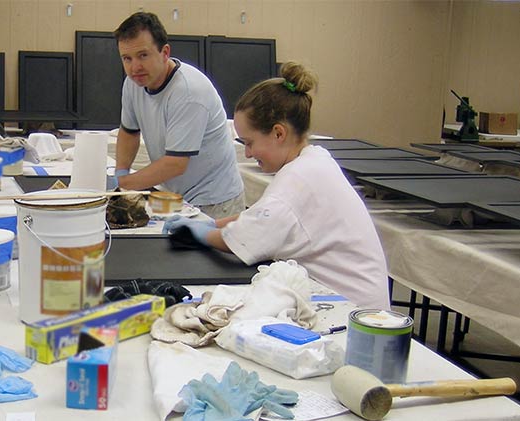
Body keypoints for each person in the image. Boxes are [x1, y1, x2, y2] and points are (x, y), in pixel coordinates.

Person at [164, 62, 390, 310]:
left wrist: (200, 234)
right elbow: (261, 215)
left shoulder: (297, 180)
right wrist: (213, 223)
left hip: (351, 310)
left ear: (278, 133)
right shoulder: (314, 160)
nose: (248, 154)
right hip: (355, 300)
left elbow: (242, 240)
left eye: (249, 143)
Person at [110, 12, 245, 219]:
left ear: (164, 52)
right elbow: (129, 132)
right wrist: (121, 171)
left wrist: (123, 185)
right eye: (127, 58)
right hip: (175, 195)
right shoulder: (133, 83)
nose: (134, 67)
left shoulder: (188, 92)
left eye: (143, 55)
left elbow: (175, 163)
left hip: (214, 202)